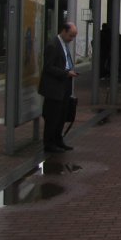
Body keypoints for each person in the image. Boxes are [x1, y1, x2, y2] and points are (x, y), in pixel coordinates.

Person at [38, 22, 79, 153]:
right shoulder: (53, 45)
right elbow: (48, 67)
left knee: (62, 115)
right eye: (71, 36)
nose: (71, 39)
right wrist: (66, 73)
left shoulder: (63, 44)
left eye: (74, 36)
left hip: (64, 85)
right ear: (64, 31)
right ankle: (49, 143)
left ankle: (58, 140)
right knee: (52, 116)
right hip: (54, 88)